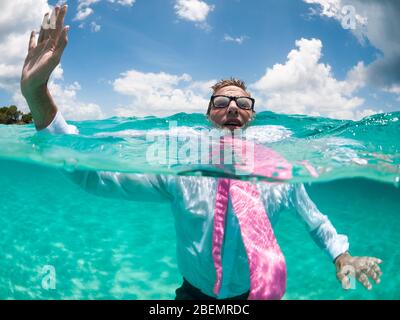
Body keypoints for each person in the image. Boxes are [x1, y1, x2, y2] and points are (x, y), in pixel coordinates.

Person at [20, 5, 383, 300]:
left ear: (252, 116)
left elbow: (316, 221)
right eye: (222, 101)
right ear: (210, 114)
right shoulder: (182, 167)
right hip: (190, 297)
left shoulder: (280, 172)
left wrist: (342, 255)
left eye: (242, 102)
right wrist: (37, 93)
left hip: (250, 296)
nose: (232, 107)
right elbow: (91, 175)